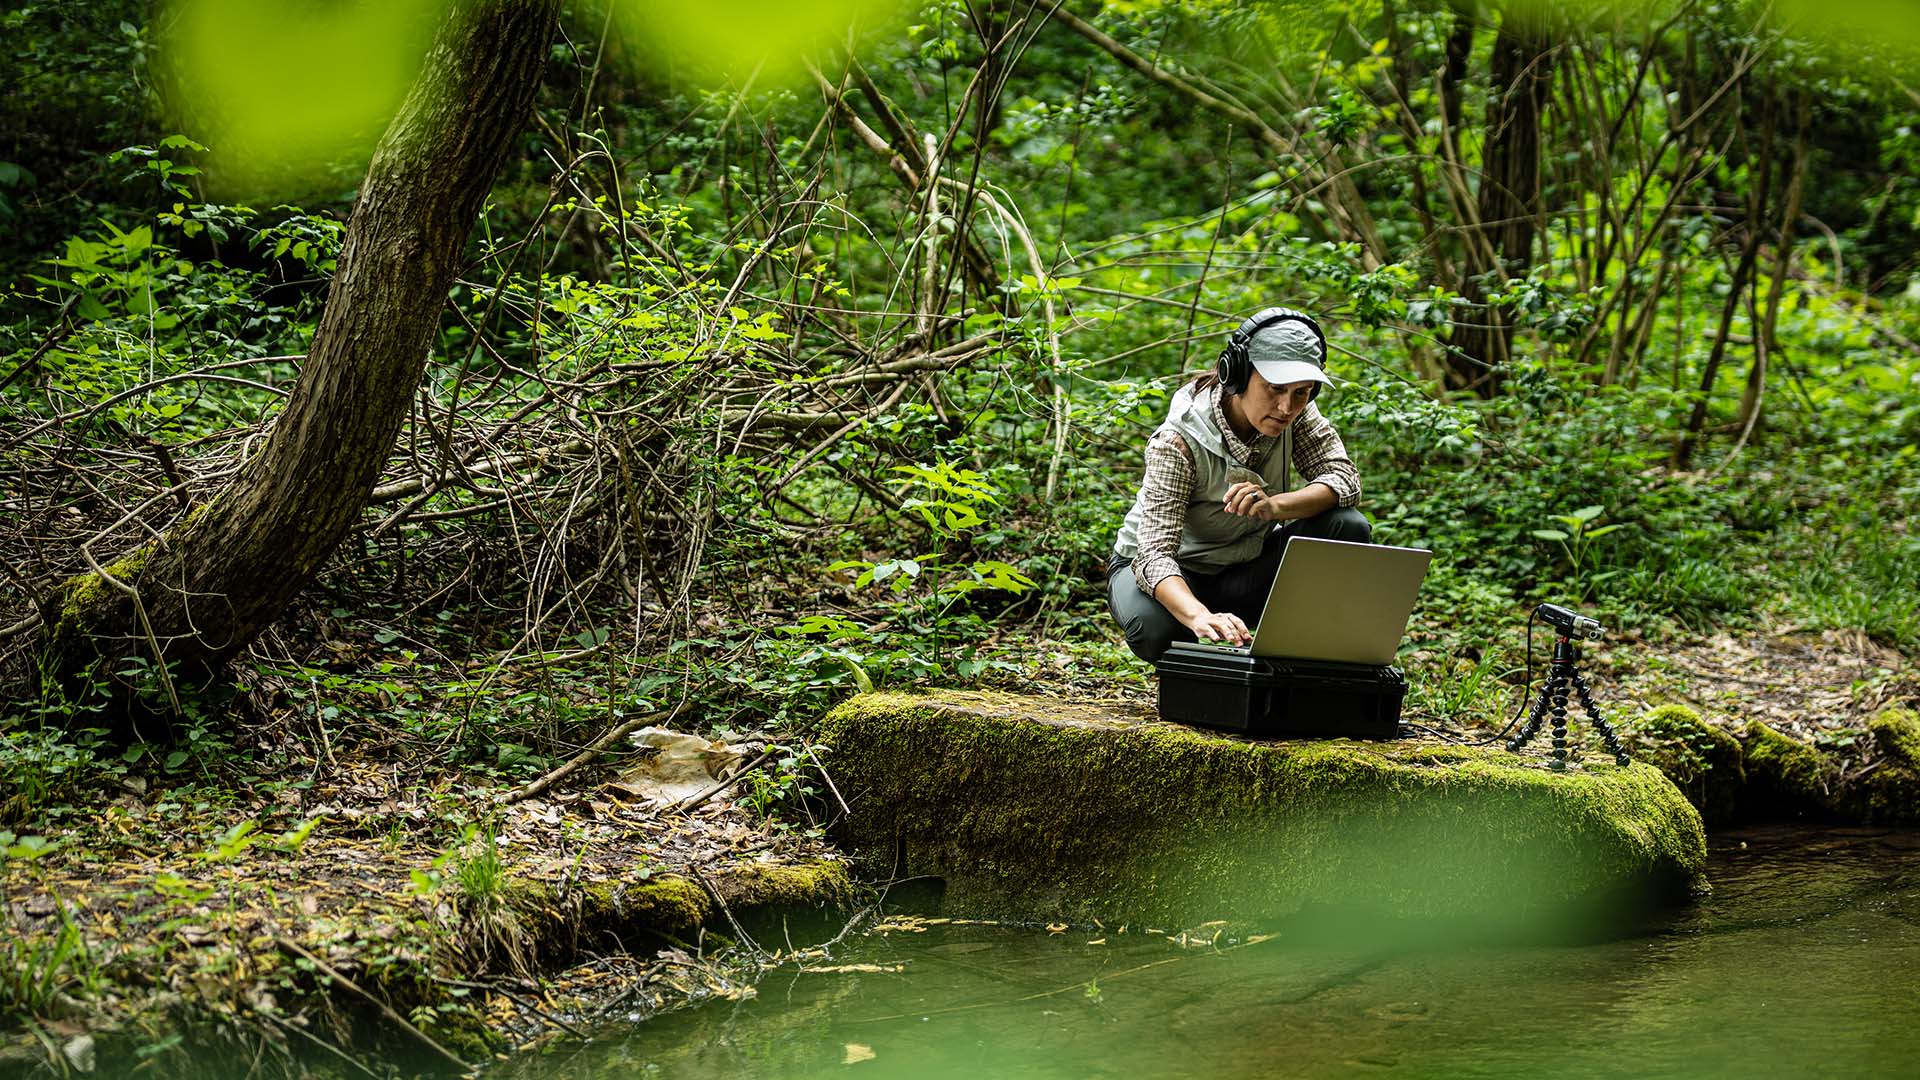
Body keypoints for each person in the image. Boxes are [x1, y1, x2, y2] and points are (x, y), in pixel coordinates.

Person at [1108, 307, 1371, 662]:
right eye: (1275, 388)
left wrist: (1277, 506)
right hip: (1168, 572)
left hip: (1241, 567)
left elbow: (1345, 479)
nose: (1286, 406)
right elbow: (1154, 555)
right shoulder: (1177, 442)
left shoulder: (1297, 412)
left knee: (1347, 525)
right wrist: (1198, 615)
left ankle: (1297, 656)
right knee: (1154, 632)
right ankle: (1203, 648)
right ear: (1238, 376)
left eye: (1301, 392)